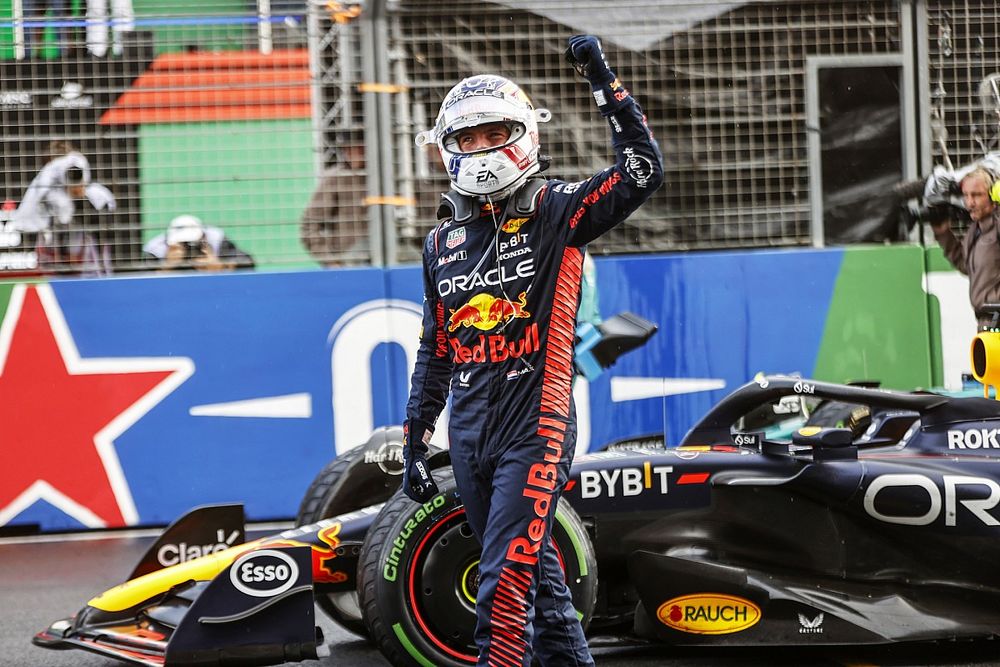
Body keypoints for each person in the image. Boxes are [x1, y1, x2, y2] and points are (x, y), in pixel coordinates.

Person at [401, 35, 663, 667]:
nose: (481, 150)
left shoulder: (559, 211)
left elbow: (642, 169)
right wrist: (414, 437)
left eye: (494, 135)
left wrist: (601, 79)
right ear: (445, 149)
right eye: (466, 139)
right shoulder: (440, 242)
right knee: (539, 579)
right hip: (468, 430)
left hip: (536, 421)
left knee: (503, 584)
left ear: (523, 135)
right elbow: (436, 350)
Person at [929, 166, 1000, 330]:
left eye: (976, 195)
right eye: (966, 195)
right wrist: (943, 234)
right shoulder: (975, 230)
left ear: (993, 195)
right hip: (986, 322)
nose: (970, 202)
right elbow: (966, 265)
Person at [300, 135, 370, 266]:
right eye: (349, 148)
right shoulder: (335, 179)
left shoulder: (395, 176)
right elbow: (309, 225)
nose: (355, 153)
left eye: (360, 148)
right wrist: (331, 262)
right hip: (350, 261)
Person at [143, 214, 255, 272]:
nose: (188, 248)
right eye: (183, 244)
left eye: (192, 243)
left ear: (203, 236)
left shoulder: (217, 239)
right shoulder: (155, 249)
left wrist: (220, 266)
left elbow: (248, 263)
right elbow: (139, 283)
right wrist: (166, 266)